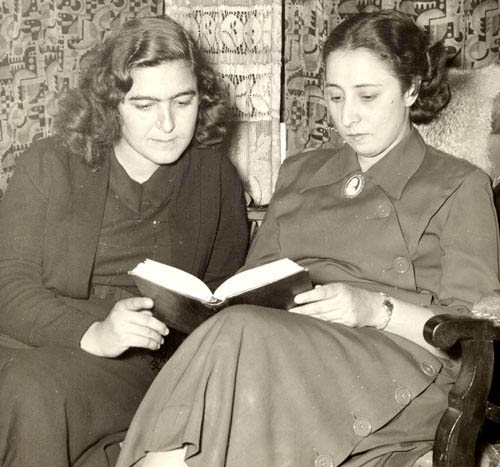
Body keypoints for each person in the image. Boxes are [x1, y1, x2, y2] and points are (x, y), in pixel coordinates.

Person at [117, 10, 500, 467]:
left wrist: (373, 309)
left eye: (368, 96)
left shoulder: (459, 184)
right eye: (335, 96)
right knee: (234, 333)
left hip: (400, 364)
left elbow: (474, 329)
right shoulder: (300, 172)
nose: (348, 116)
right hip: (287, 349)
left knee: (239, 336)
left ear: (411, 89)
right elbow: (254, 281)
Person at [0, 15, 249, 467]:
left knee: (32, 389)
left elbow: (218, 295)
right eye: (144, 105)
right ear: (111, 103)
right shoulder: (49, 163)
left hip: (141, 365)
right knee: (27, 385)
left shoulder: (216, 177)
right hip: (37, 340)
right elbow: (8, 285)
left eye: (183, 101)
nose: (168, 124)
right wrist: (93, 333)